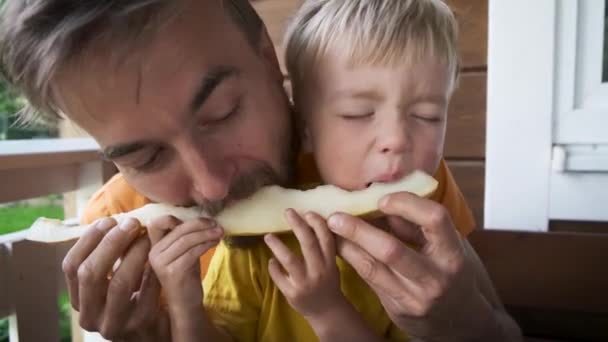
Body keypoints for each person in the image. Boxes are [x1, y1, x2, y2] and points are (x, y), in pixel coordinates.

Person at [0, 0, 521, 341]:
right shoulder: (122, 238)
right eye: (146, 157)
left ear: (268, 59)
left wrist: (461, 322)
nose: (212, 186)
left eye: (223, 112)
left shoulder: (381, 170)